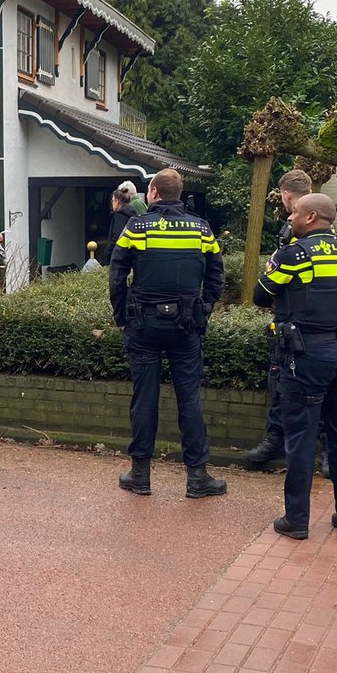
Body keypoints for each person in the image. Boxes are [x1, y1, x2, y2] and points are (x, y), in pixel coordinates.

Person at [109, 168, 227, 499]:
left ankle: (140, 475)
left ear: (155, 193)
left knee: (143, 398)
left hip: (144, 324)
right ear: (179, 193)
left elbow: (116, 275)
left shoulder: (136, 226)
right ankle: (198, 477)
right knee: (189, 398)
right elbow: (217, 276)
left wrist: (122, 317)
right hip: (186, 326)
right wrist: (204, 310)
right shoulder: (201, 228)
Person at [253, 193, 337, 540]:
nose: (291, 219)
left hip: (308, 356)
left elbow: (260, 295)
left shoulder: (296, 254)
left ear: (311, 216)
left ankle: (297, 520)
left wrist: (277, 255)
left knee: (300, 437)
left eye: (296, 214)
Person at [244, 168, 313, 469]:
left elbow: (267, 287)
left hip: (294, 320)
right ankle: (285, 441)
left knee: (285, 382)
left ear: (286, 196)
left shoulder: (295, 228)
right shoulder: (328, 228)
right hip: (315, 324)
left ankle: (280, 442)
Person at [100, 180, 147, 266]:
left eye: (113, 200)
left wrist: (108, 253)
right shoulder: (131, 211)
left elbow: (117, 236)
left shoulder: (126, 211)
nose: (112, 203)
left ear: (117, 201)